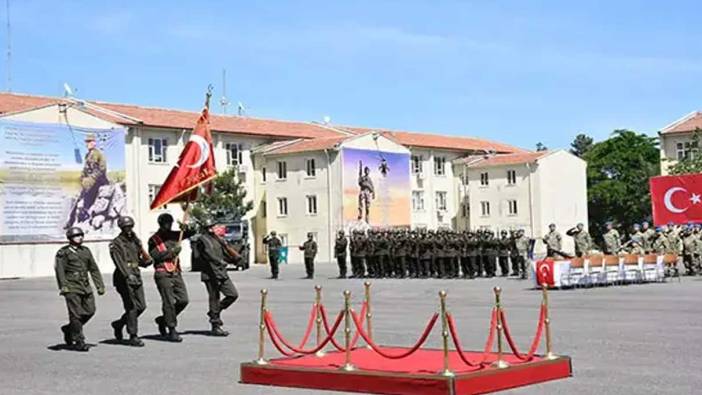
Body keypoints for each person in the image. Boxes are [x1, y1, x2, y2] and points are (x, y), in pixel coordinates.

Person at [55, 227, 105, 351]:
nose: (80, 238)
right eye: (77, 236)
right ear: (70, 238)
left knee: (90, 310)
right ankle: (79, 340)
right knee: (75, 314)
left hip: (85, 286)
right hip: (71, 286)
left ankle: (69, 329)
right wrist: (63, 286)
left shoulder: (85, 251)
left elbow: (93, 268)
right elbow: (59, 270)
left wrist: (99, 285)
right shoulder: (63, 252)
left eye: (81, 235)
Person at [148, 213, 195, 342]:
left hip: (176, 272)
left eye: (170, 223)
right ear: (161, 224)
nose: (169, 226)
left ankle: (163, 320)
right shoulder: (154, 239)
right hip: (162, 273)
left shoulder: (174, 235)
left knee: (183, 300)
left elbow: (191, 232)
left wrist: (186, 226)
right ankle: (172, 328)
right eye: (166, 223)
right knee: (168, 302)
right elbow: (155, 256)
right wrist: (172, 252)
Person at [109, 216, 151, 347]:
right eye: (126, 227)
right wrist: (127, 275)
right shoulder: (116, 243)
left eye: (130, 227)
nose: (129, 229)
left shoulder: (135, 240)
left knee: (141, 306)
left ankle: (119, 323)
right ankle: (133, 335)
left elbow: (138, 258)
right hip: (123, 277)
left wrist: (147, 261)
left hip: (136, 275)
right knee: (131, 307)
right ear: (121, 228)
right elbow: (119, 261)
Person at [196, 218, 240, 336]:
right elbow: (208, 254)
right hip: (210, 273)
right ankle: (215, 324)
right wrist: (220, 261)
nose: (217, 228)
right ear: (209, 228)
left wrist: (235, 259)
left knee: (232, 294)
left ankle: (214, 311)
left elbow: (225, 253)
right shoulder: (202, 240)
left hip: (221, 272)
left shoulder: (218, 239)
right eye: (214, 226)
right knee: (214, 298)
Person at [65, 133, 109, 228]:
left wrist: (91, 178)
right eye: (87, 142)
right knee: (77, 197)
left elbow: (102, 169)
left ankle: (86, 216)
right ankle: (70, 221)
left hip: (98, 181)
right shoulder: (88, 155)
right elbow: (86, 169)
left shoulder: (99, 154)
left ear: (94, 143)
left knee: (86, 198)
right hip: (89, 181)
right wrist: (81, 177)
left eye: (89, 141)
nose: (87, 144)